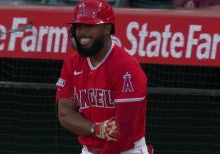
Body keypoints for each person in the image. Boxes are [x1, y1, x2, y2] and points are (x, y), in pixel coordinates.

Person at [56, 0, 150, 153]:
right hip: (88, 149)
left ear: (107, 28)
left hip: (126, 150)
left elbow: (124, 133)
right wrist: (95, 128)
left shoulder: (126, 68)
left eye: (90, 26)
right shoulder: (73, 63)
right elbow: (65, 114)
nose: (82, 32)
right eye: (79, 26)